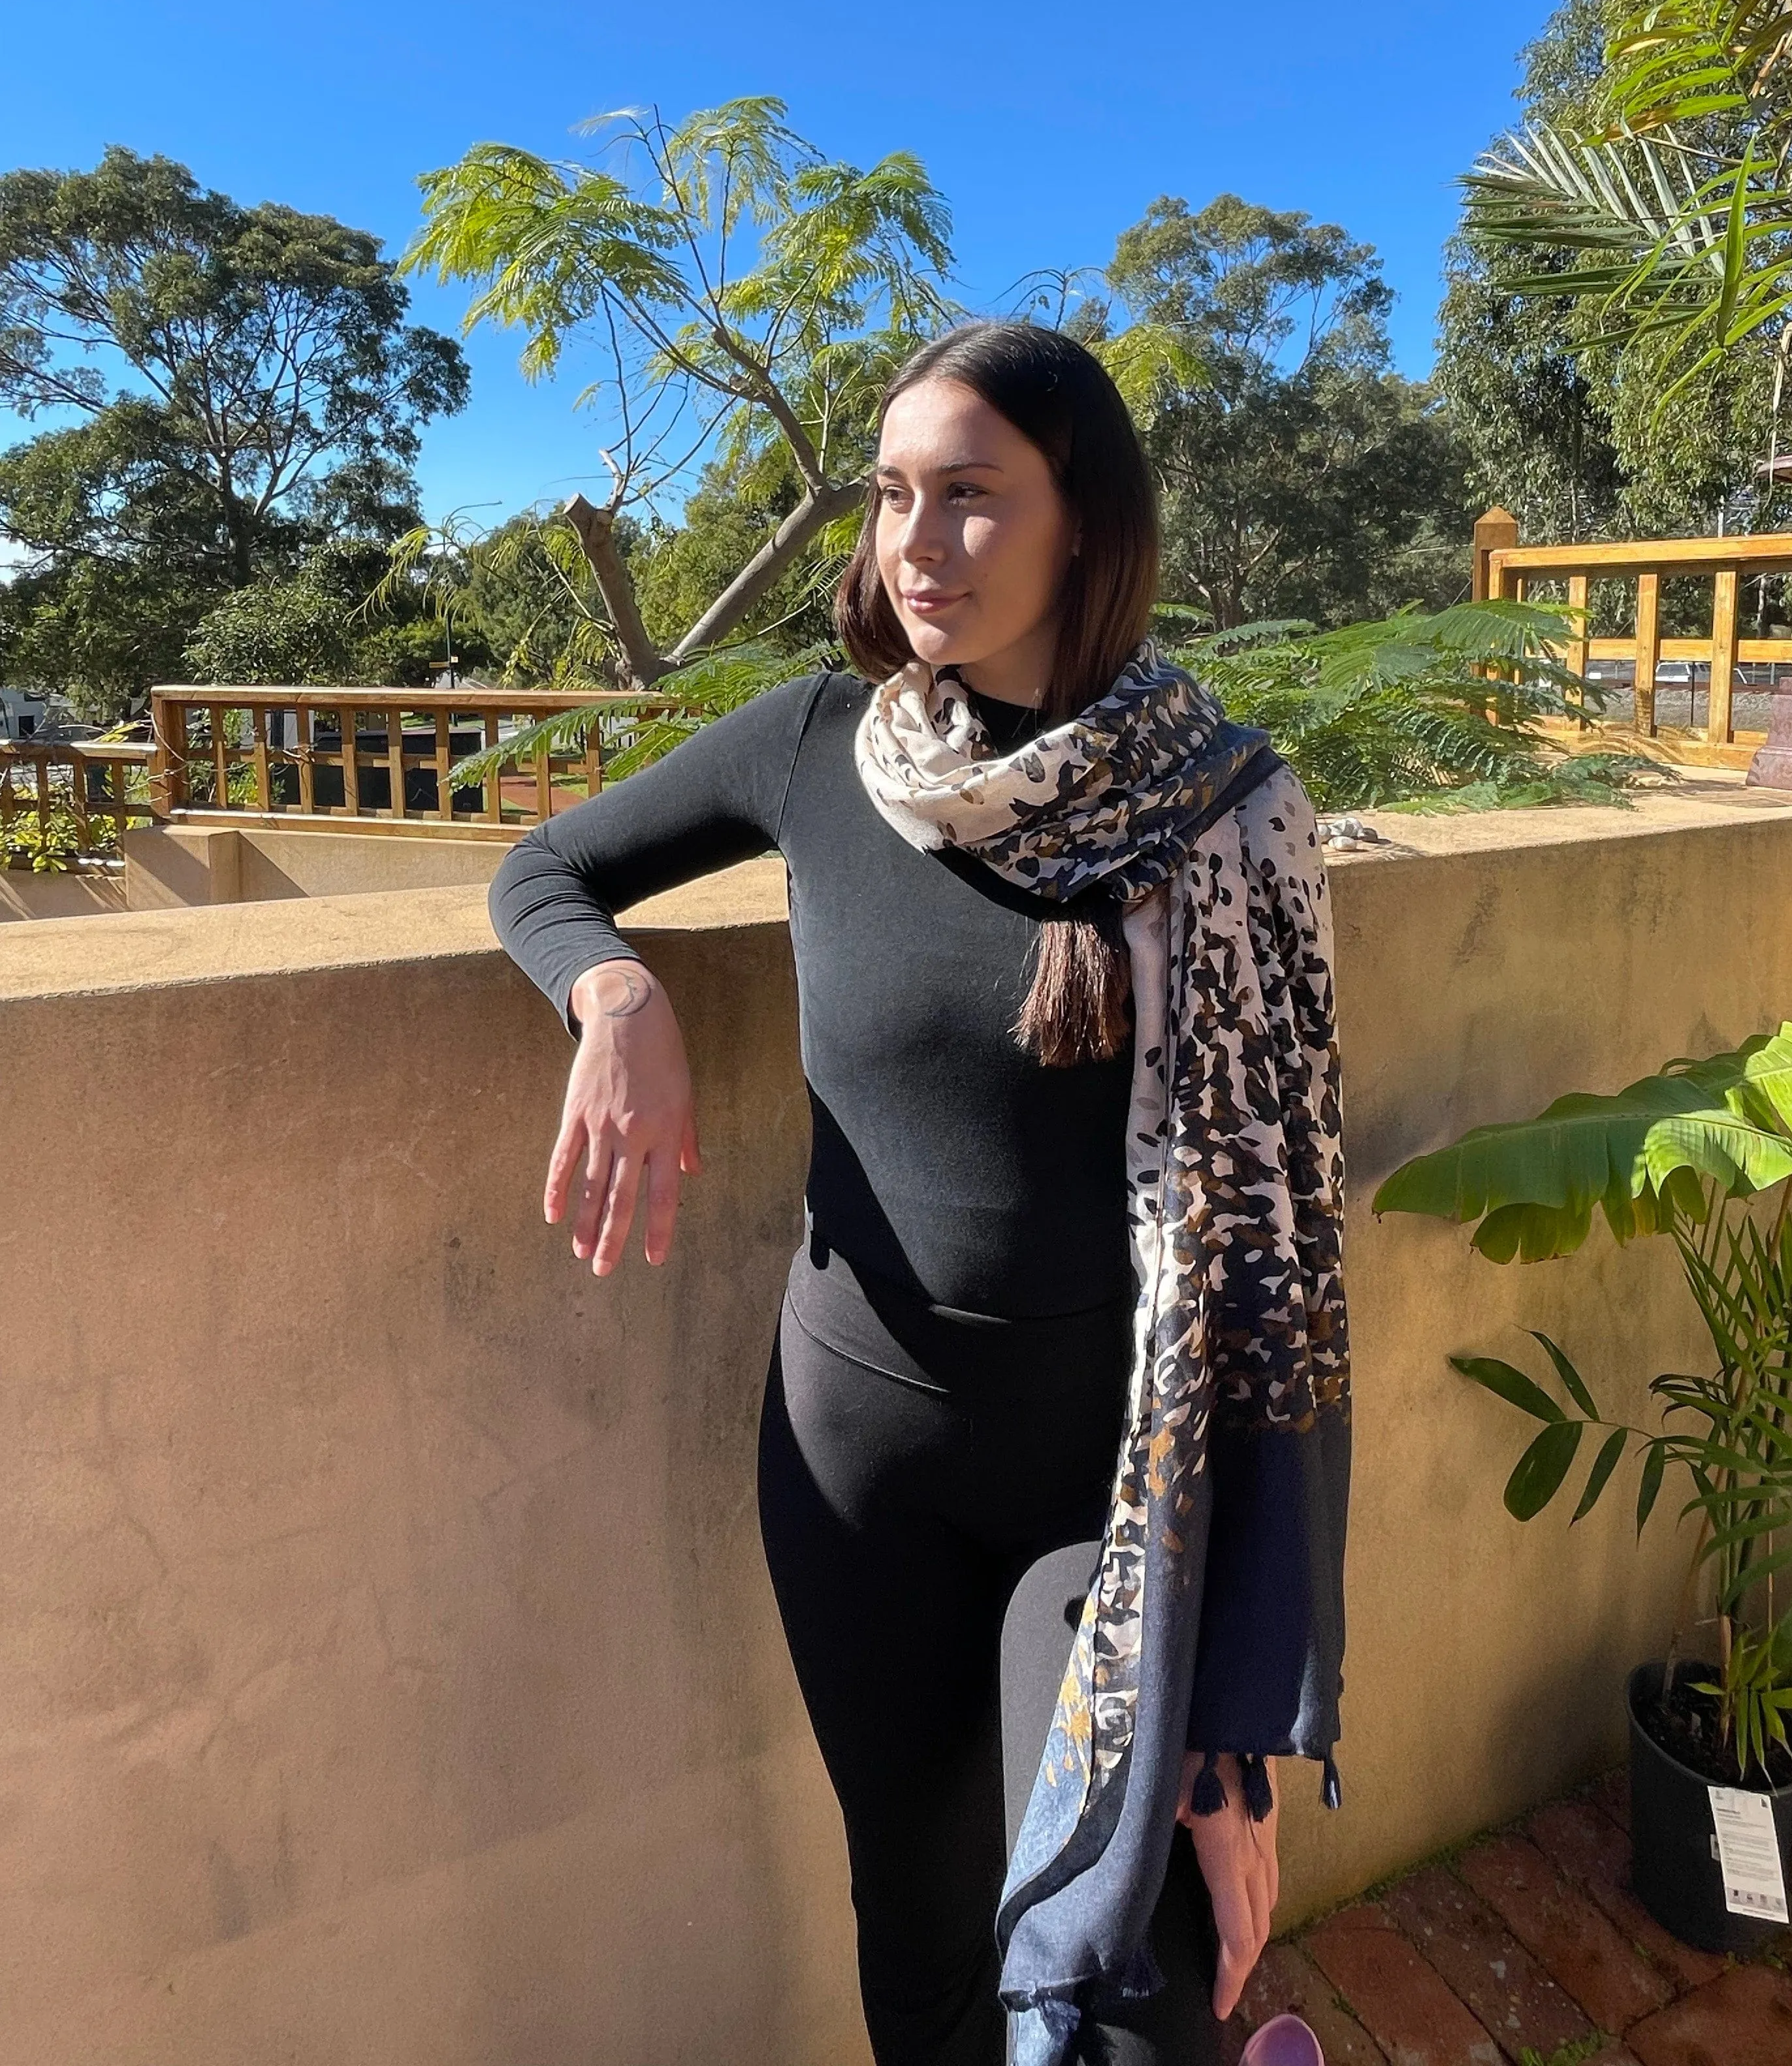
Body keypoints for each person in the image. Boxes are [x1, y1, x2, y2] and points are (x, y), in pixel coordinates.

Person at [489, 322, 1350, 2066]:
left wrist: (1233, 1721)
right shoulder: (822, 744)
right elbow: (547, 864)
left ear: (1082, 525)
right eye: (893, 495)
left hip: (1101, 1487)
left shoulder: (1226, 814)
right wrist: (616, 995)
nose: (915, 541)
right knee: (916, 1909)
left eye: (971, 494)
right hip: (852, 1458)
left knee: (1121, 1968)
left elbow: (1278, 1276)